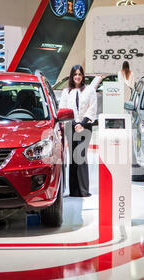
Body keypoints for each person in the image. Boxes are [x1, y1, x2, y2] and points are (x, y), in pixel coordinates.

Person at [59, 65, 97, 197]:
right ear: (71, 76)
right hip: (70, 126)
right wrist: (75, 123)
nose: (77, 76)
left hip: (85, 127)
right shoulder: (66, 92)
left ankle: (83, 190)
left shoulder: (90, 90)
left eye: (80, 74)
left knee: (81, 156)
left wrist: (82, 123)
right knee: (72, 158)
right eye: (75, 74)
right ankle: (73, 190)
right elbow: (63, 109)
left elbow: (92, 108)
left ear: (83, 76)